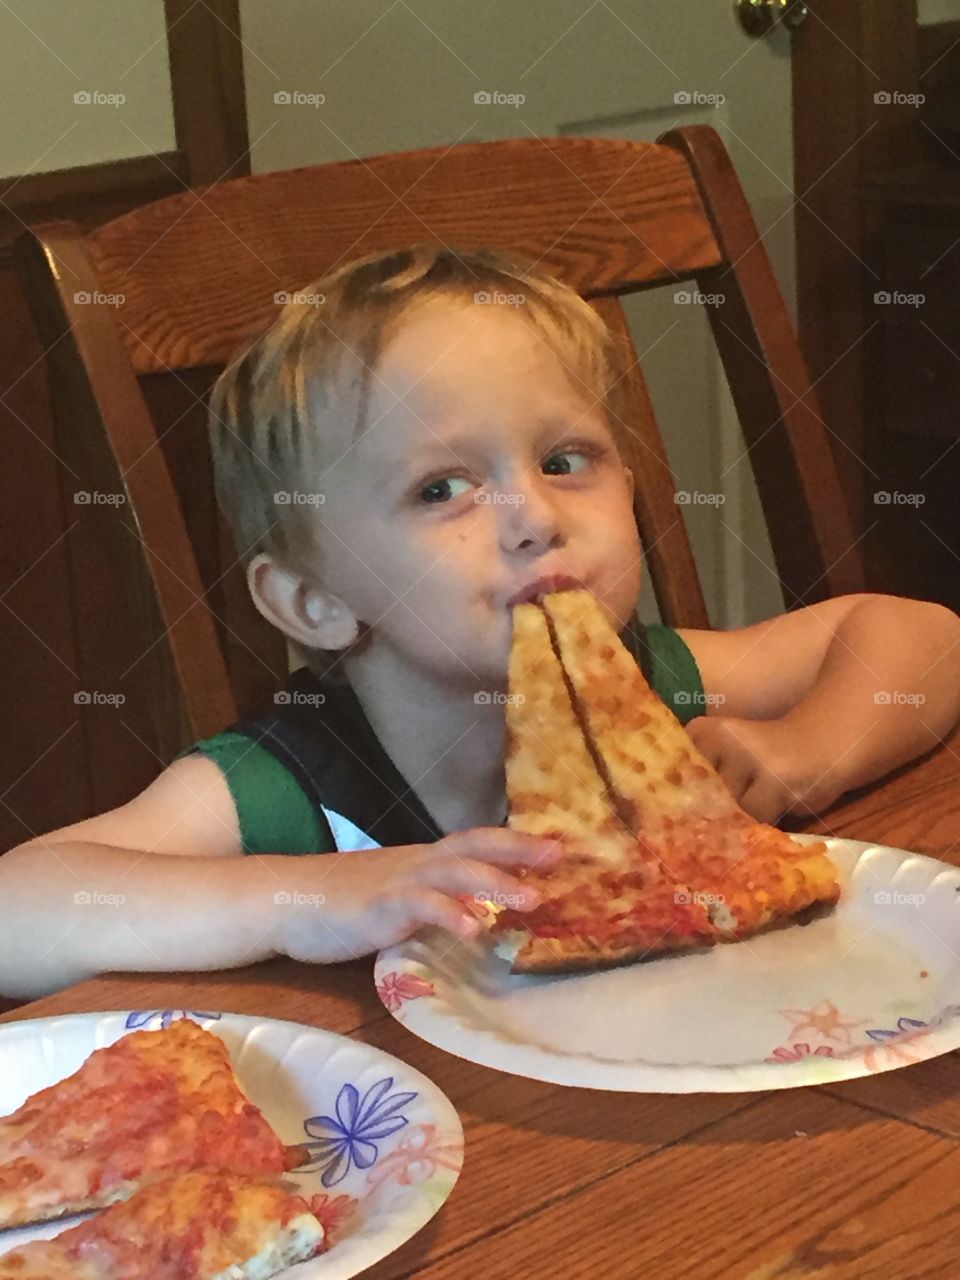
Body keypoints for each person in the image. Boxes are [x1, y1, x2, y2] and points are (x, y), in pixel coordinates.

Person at [2, 243, 959, 1001]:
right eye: (443, 488)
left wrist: (803, 753)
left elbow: (918, 635)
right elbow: (18, 912)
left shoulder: (649, 698)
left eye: (566, 459)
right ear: (314, 602)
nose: (535, 516)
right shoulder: (296, 783)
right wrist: (305, 898)